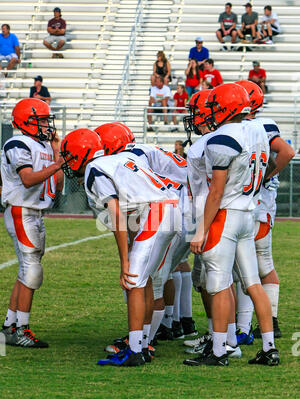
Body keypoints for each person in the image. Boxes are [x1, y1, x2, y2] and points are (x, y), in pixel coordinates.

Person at [60, 125, 182, 367]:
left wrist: (124, 259)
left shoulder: (95, 169)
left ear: (80, 153)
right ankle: (143, 344)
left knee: (134, 279)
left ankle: (135, 350)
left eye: (69, 156)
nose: (67, 162)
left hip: (158, 212)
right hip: (168, 208)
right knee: (143, 279)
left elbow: (116, 214)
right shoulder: (119, 159)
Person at [185, 83, 280, 367]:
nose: (211, 113)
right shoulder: (259, 130)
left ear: (225, 108)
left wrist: (201, 228)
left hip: (226, 214)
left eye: (214, 107)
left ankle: (219, 349)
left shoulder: (222, 138)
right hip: (249, 213)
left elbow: (216, 191)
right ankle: (269, 347)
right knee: (252, 282)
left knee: (218, 282)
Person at [0, 98, 64, 348]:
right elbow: (27, 179)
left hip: (35, 212)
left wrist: (57, 152)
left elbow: (57, 185)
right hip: (21, 210)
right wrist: (57, 163)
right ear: (26, 121)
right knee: (32, 271)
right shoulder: (18, 143)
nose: (47, 126)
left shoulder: (44, 145)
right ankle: (20, 330)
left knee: (27, 270)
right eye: (42, 121)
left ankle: (10, 325)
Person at [235, 80, 295, 341]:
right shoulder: (254, 125)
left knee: (255, 263)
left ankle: (258, 323)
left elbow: (287, 152)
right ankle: (263, 322)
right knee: (255, 263)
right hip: (255, 202)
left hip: (255, 202)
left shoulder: (258, 125)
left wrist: (263, 177)